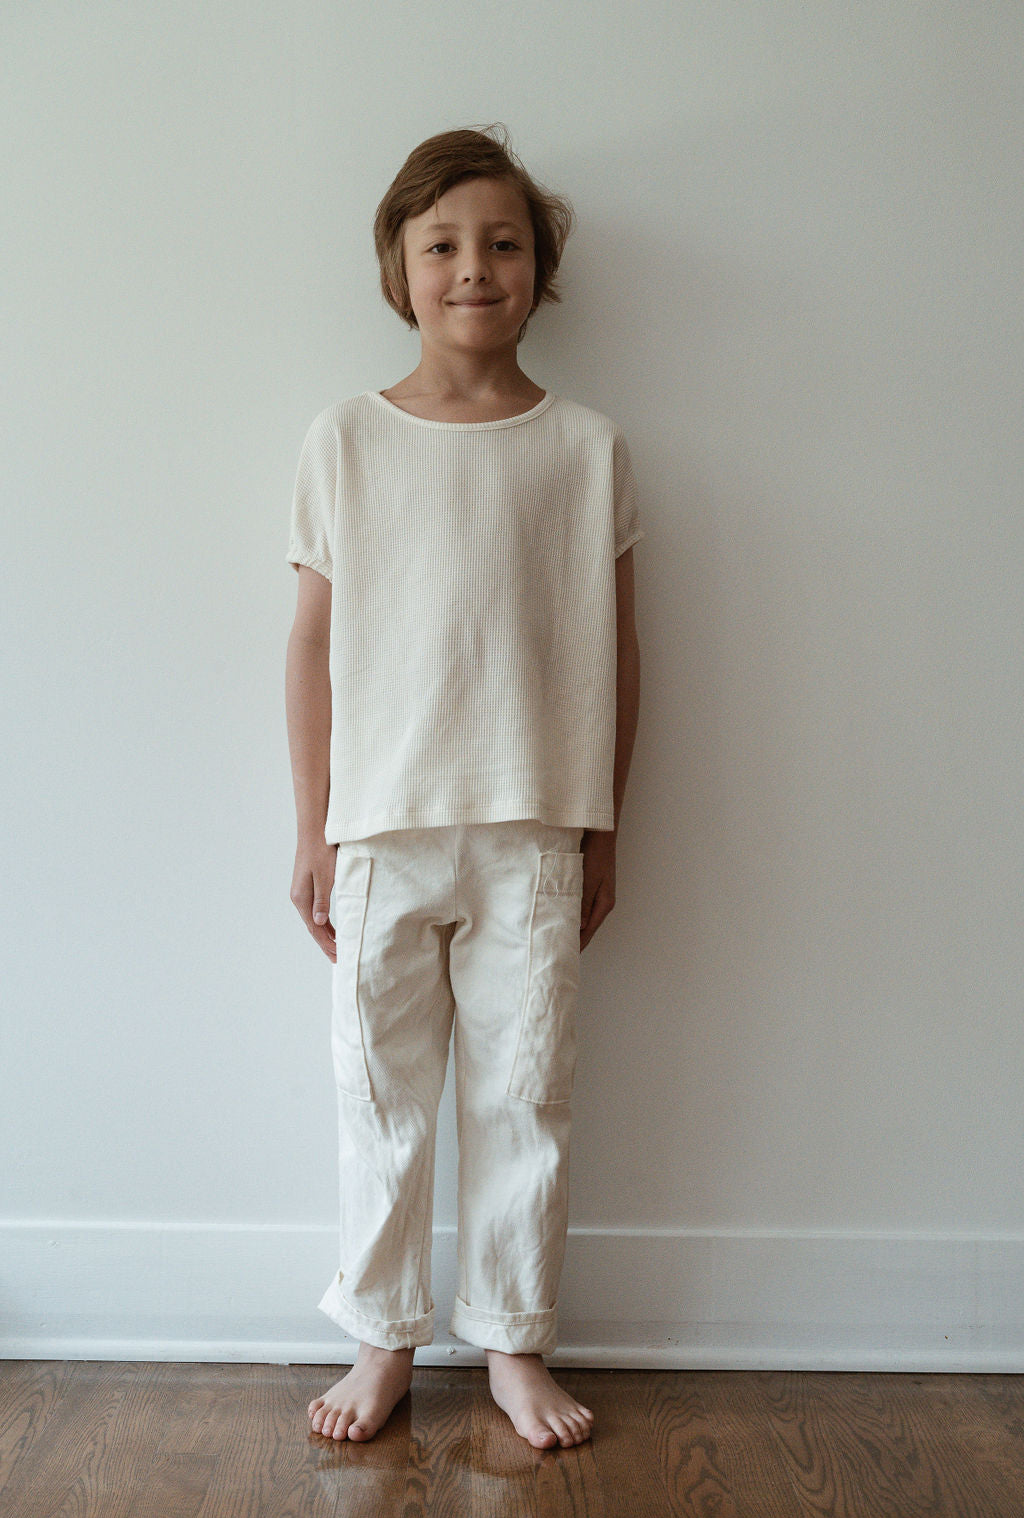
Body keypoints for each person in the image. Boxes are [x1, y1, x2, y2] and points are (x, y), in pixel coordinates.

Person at [285, 123, 643, 1451]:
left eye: (503, 244)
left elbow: (615, 649)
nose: (472, 268)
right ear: (400, 266)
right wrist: (315, 825)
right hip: (380, 826)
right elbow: (313, 644)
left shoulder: (587, 447)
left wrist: (603, 823)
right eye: (443, 244)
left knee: (524, 1095)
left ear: (541, 270)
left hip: (535, 828)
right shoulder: (345, 438)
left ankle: (513, 1342)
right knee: (378, 1093)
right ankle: (382, 1337)